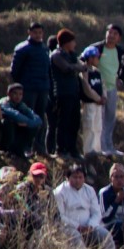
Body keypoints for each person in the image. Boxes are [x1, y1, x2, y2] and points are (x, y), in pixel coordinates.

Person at [54, 163, 116, 249]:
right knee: (76, 237)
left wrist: (90, 225)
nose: (77, 180)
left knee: (105, 235)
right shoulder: (60, 192)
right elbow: (60, 216)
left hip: (89, 226)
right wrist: (77, 226)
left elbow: (96, 212)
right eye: (74, 177)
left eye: (80, 177)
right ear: (67, 178)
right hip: (69, 227)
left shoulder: (89, 190)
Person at [11, 21, 52, 158]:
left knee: (41, 118)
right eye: (35, 32)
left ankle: (40, 148)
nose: (38, 35)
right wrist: (20, 87)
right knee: (27, 118)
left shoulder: (45, 49)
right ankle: (25, 147)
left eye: (40, 32)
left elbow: (48, 70)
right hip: (28, 89)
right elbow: (14, 71)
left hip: (43, 89)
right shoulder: (22, 49)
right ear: (29, 32)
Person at [92, 23, 124, 156]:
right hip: (98, 88)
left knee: (110, 118)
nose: (111, 36)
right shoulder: (97, 48)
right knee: (99, 118)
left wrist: (121, 79)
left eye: (115, 34)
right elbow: (84, 60)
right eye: (110, 32)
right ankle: (100, 146)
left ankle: (109, 146)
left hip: (112, 88)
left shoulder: (120, 51)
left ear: (119, 38)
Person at [48, 29, 86, 158]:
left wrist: (78, 66)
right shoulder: (56, 55)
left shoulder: (71, 55)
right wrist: (78, 67)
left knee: (74, 122)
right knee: (63, 122)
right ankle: (61, 149)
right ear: (66, 42)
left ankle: (72, 149)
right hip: (63, 93)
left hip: (74, 92)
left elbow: (81, 65)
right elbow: (67, 68)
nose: (75, 44)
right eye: (73, 41)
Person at [0, 83, 43, 159]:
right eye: (15, 93)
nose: (18, 96)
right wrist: (28, 122)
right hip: (2, 132)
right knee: (8, 122)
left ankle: (19, 150)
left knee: (34, 127)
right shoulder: (4, 103)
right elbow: (15, 115)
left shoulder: (21, 105)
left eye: (20, 94)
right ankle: (7, 150)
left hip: (16, 130)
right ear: (8, 94)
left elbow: (38, 120)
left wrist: (27, 124)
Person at [79, 45, 107, 157]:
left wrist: (104, 97)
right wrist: (97, 98)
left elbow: (103, 85)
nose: (98, 60)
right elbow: (87, 88)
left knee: (98, 126)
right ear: (90, 58)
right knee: (89, 126)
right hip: (89, 103)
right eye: (96, 57)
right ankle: (88, 149)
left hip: (98, 104)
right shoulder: (84, 71)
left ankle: (97, 148)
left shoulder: (97, 71)